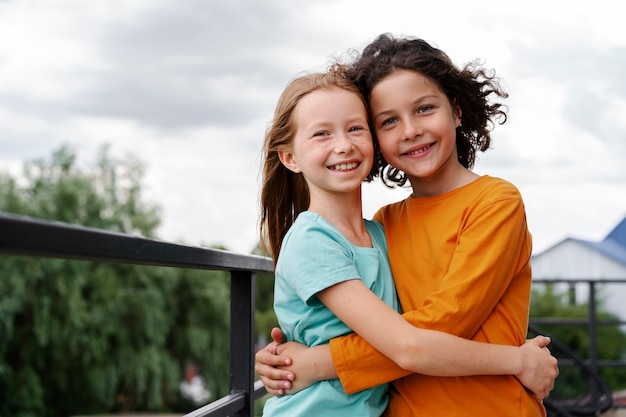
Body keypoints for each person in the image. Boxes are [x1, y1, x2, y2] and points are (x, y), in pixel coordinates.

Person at [256, 33, 557, 416]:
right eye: (389, 121)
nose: (411, 130)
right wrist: (283, 359)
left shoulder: (495, 202)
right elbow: (386, 333)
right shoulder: (384, 225)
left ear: (457, 110)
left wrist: (316, 364)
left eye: (425, 109)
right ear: (378, 137)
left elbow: (443, 325)